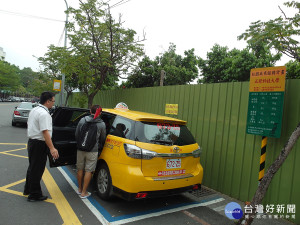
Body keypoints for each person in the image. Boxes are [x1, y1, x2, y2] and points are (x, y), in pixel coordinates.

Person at [24, 91, 59, 202]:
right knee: (37, 169)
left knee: (32, 167)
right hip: (39, 143)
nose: (53, 103)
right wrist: (52, 148)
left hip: (32, 142)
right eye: (53, 101)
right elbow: (45, 132)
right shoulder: (44, 114)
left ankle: (28, 189)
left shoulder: (34, 110)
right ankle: (34, 194)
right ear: (48, 101)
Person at [75, 105, 106, 199]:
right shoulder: (101, 124)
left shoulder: (83, 120)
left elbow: (77, 134)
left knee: (80, 169)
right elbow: (103, 138)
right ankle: (84, 193)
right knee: (89, 170)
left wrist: (80, 143)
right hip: (93, 150)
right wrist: (99, 147)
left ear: (90, 111)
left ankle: (79, 189)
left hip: (81, 148)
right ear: (100, 113)